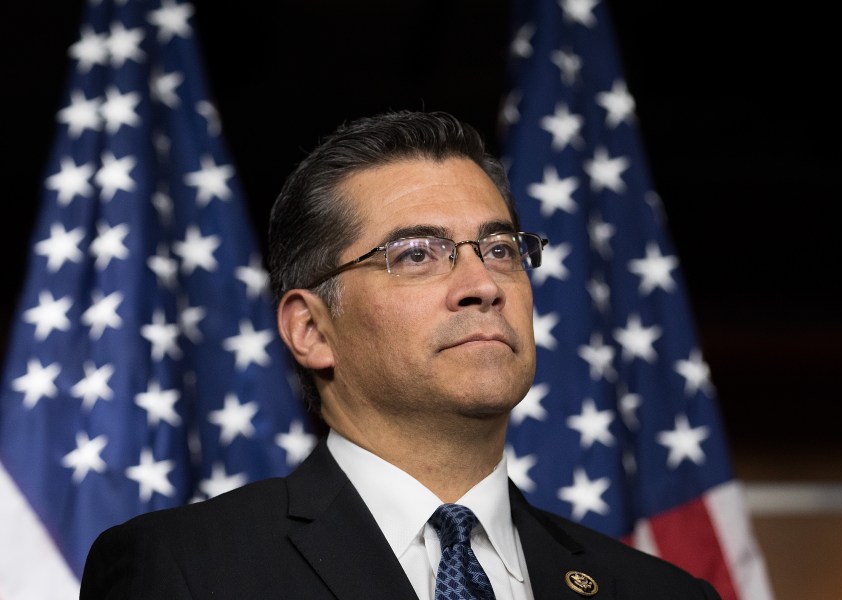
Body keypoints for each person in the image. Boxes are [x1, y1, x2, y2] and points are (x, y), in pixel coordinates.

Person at [80, 110, 721, 599]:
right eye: (416, 254)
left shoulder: (661, 592)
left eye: (499, 249)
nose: (483, 286)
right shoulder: (186, 571)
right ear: (311, 329)